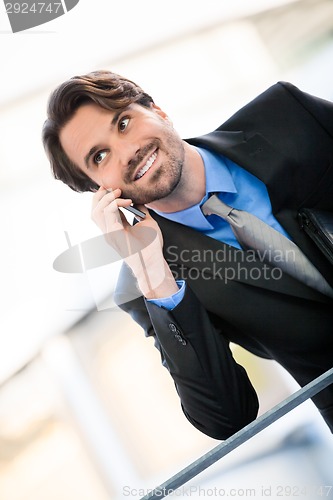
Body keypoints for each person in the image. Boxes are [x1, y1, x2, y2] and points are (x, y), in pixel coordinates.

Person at [42, 70, 333, 440]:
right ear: (100, 190)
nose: (128, 151)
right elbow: (228, 417)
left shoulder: (287, 117)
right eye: (100, 156)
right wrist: (152, 272)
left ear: (158, 110)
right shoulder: (146, 286)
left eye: (124, 122)